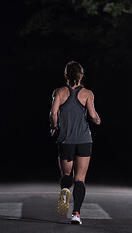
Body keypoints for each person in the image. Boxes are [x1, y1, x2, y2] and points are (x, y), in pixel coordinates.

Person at [49, 61, 101, 225]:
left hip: (66, 140)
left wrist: (54, 127)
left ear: (66, 76)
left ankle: (65, 190)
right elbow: (92, 115)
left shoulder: (59, 92)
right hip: (84, 140)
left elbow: (53, 113)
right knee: (80, 179)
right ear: (82, 76)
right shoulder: (87, 93)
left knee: (66, 175)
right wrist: (97, 120)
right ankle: (76, 214)